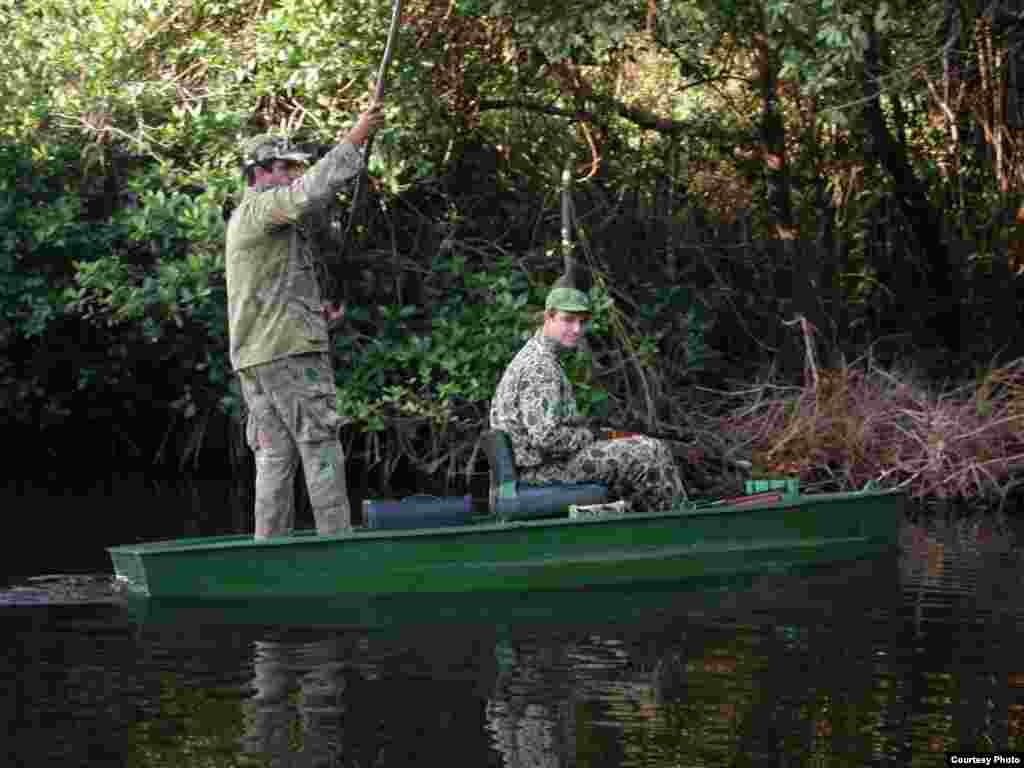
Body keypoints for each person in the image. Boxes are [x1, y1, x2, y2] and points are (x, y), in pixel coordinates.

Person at [226, 105, 384, 539]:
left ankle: (269, 549)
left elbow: (273, 296)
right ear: (257, 173)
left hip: (258, 357)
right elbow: (306, 193)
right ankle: (337, 545)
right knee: (321, 445)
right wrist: (356, 138)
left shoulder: (253, 222)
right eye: (282, 168)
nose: (290, 175)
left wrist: (319, 317)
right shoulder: (260, 210)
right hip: (287, 355)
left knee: (275, 454)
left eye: (292, 168)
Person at [489, 280, 687, 512]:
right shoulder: (540, 367)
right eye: (568, 320)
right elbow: (546, 438)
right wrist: (590, 436)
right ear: (548, 318)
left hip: (539, 464)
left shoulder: (536, 355)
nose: (577, 330)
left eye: (582, 322)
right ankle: (678, 520)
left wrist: (597, 436)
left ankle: (643, 520)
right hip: (540, 470)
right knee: (651, 451)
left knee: (633, 446)